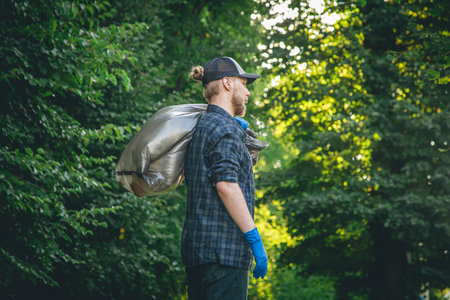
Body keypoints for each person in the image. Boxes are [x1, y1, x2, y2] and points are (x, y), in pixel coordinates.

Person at [181, 57, 268, 300]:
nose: (248, 93)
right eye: (244, 84)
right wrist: (254, 238)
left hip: (199, 254)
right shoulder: (225, 128)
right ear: (228, 83)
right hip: (224, 257)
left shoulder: (204, 125)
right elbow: (226, 185)